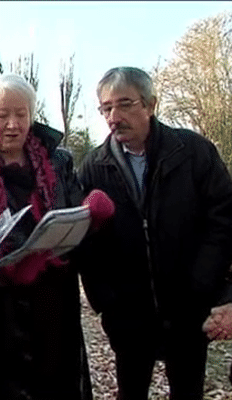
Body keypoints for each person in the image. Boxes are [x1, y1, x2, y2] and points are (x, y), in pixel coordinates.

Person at [77, 66, 232, 399]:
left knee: (188, 391)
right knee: (130, 392)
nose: (114, 116)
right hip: (128, 313)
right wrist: (105, 301)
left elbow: (223, 220)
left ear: (150, 104)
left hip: (188, 306)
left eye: (124, 104)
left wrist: (204, 285)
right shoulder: (93, 167)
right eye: (106, 108)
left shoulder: (193, 152)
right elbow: (87, 243)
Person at [0, 73, 93, 400]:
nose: (13, 124)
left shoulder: (58, 160)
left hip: (52, 300)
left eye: (21, 114)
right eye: (2, 115)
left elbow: (75, 214)